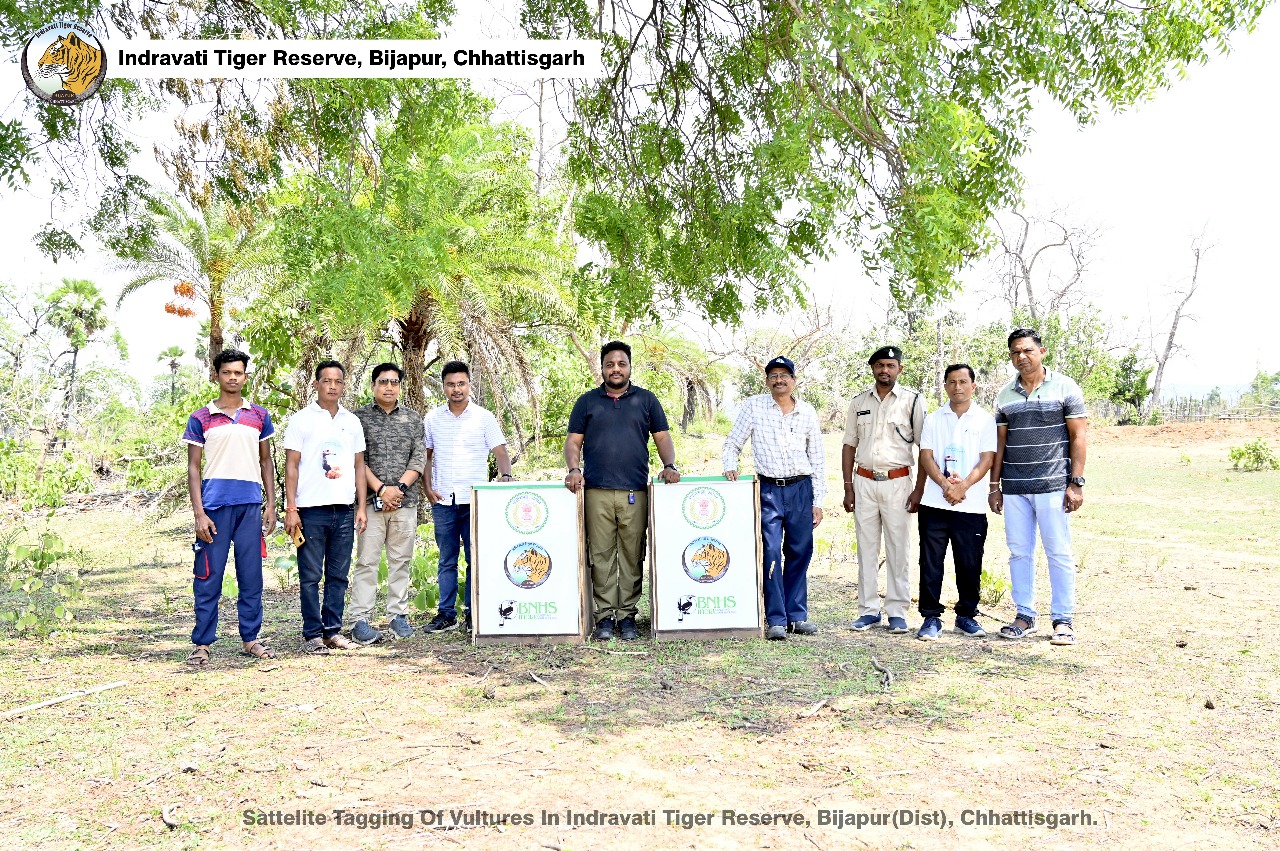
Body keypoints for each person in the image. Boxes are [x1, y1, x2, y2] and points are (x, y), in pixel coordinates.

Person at [565, 341, 680, 641]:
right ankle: (604, 617)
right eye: (610, 364)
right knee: (600, 554)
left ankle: (627, 615)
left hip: (634, 492)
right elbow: (573, 442)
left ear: (629, 366)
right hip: (596, 492)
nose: (615, 369)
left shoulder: (646, 400)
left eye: (621, 364)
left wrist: (670, 465)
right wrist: (574, 470)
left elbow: (662, 437)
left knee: (631, 554)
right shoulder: (587, 402)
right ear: (602, 368)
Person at [988, 328, 1087, 646]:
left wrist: (1076, 483)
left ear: (1041, 351)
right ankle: (1025, 616)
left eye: (1027, 350)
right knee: (1019, 553)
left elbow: (1078, 437)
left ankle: (1063, 621)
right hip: (1014, 486)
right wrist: (995, 485)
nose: (1022, 356)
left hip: (1054, 485)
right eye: (1015, 352)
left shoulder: (1065, 387)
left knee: (1058, 551)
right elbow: (1000, 443)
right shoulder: (1005, 395)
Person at [181, 349, 278, 665]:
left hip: (250, 506)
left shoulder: (259, 416)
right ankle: (202, 643)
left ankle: (251, 639)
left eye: (238, 372)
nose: (233, 377)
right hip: (214, 509)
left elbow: (266, 461)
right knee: (208, 577)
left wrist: (271, 504)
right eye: (227, 372)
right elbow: (194, 468)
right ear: (217, 375)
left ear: (245, 376)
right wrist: (199, 513)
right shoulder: (201, 417)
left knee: (251, 577)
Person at [722, 356, 825, 641]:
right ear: (767, 381)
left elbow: (817, 458)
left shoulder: (807, 412)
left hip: (801, 489)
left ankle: (797, 616)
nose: (779, 380)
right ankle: (776, 619)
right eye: (773, 375)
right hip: (768, 490)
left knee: (800, 551)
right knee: (770, 553)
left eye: (784, 375)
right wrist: (730, 464)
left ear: (794, 380)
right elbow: (733, 442)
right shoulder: (754, 406)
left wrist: (818, 500)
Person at [422, 360, 515, 633]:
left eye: (461, 383)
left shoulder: (484, 418)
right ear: (443, 387)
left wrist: (506, 476)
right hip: (443, 500)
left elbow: (501, 453)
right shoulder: (432, 418)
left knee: (475, 557)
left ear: (469, 385)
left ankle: (474, 613)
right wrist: (427, 488)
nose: (456, 389)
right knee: (446, 559)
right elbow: (426, 458)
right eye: (451, 384)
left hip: (476, 500)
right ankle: (446, 614)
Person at [283, 360, 368, 655]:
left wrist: (360, 506)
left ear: (343, 386)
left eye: (338, 381)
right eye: (327, 380)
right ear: (317, 384)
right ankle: (312, 634)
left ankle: (332, 630)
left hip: (343, 510)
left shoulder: (352, 421)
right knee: (309, 575)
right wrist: (291, 507)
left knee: (338, 575)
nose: (332, 386)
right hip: (310, 510)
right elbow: (291, 466)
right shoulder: (301, 420)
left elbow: (359, 466)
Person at [841, 346, 925, 634]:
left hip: (898, 482)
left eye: (890, 365)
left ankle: (897, 611)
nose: (884, 370)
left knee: (898, 547)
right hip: (863, 481)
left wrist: (919, 490)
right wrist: (848, 487)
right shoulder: (859, 402)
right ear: (872, 368)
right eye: (879, 365)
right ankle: (868, 610)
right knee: (866, 547)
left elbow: (923, 448)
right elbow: (849, 445)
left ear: (899, 368)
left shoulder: (912, 401)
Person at [910, 364, 997, 640]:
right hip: (934, 503)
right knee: (931, 561)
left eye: (963, 381)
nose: (957, 387)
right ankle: (931, 617)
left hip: (970, 505)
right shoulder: (934, 419)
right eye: (951, 382)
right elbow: (926, 456)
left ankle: (966, 616)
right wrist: (947, 485)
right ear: (945, 386)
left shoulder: (985, 420)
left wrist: (964, 486)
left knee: (969, 561)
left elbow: (987, 459)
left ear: (974, 386)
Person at [350, 363, 426, 644]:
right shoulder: (358, 419)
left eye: (394, 382)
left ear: (400, 386)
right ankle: (360, 618)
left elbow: (419, 458)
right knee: (367, 561)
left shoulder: (414, 419)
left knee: (400, 560)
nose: (389, 387)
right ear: (373, 386)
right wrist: (381, 489)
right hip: (370, 502)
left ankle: (398, 615)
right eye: (383, 382)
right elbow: (358, 460)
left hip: (405, 503)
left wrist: (399, 489)